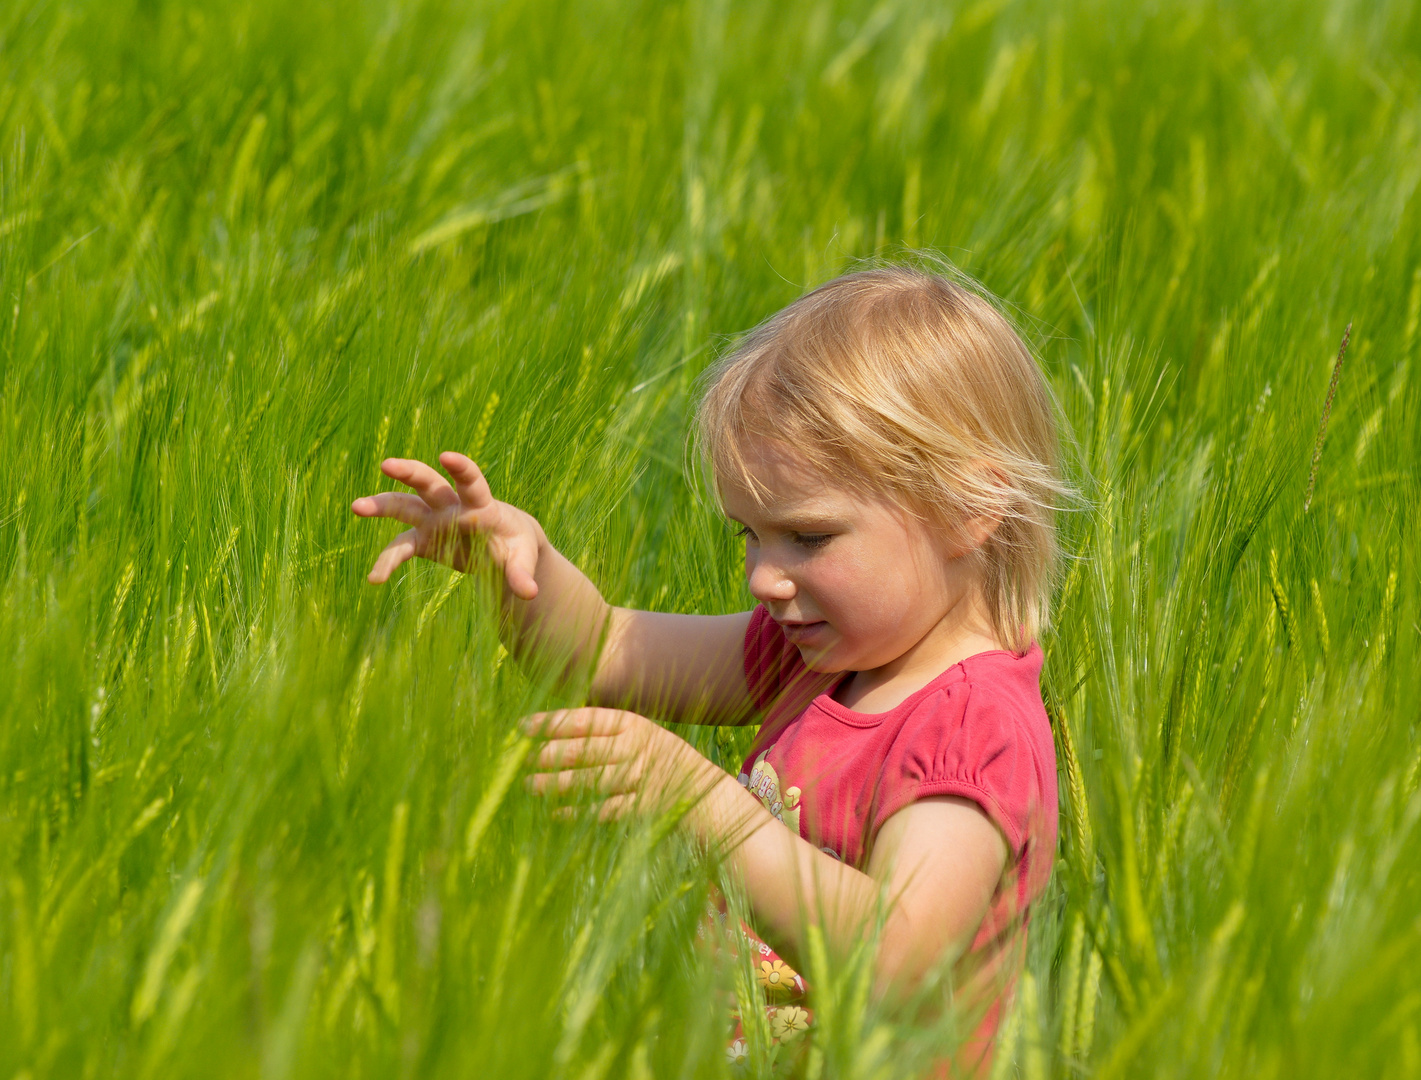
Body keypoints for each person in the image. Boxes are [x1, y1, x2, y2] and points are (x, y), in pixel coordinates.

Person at [351, 263, 1067, 1072]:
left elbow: (899, 962)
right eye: (748, 536)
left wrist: (703, 803)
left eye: (809, 536)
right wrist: (521, 571)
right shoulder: (810, 659)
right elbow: (597, 653)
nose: (764, 576)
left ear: (971, 509)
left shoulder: (967, 729)